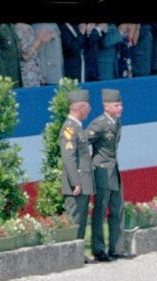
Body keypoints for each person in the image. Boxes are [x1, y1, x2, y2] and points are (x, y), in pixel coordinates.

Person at [86, 88, 127, 262]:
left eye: (120, 104)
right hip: (102, 171)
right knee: (100, 210)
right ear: (106, 106)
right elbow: (82, 142)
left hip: (114, 171)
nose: (121, 108)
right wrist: (88, 161)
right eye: (117, 105)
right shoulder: (99, 124)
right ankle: (98, 249)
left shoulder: (117, 123)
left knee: (117, 208)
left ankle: (116, 247)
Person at [59, 89, 94, 255]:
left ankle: (78, 254)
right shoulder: (69, 128)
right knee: (74, 219)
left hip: (83, 181)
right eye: (88, 107)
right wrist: (76, 182)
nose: (89, 110)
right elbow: (69, 157)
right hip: (77, 183)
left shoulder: (78, 128)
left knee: (81, 219)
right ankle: (70, 254)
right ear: (80, 107)